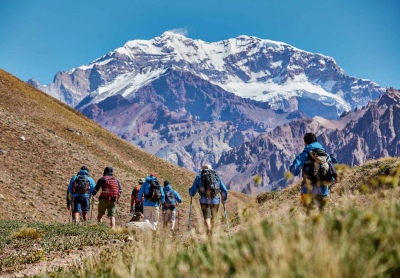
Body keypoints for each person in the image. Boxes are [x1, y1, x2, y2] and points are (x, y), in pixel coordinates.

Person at [289, 132, 337, 214]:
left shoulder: (303, 155)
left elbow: (294, 172)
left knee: (309, 216)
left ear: (306, 142)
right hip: (323, 192)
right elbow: (332, 174)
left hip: (308, 192)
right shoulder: (326, 156)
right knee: (322, 215)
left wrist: (291, 167)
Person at [189, 164, 228, 235]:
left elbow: (193, 189)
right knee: (213, 217)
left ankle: (208, 232)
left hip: (204, 201)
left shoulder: (199, 177)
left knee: (207, 217)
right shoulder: (216, 177)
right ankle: (211, 233)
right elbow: (224, 190)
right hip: (215, 200)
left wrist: (191, 193)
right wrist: (224, 200)